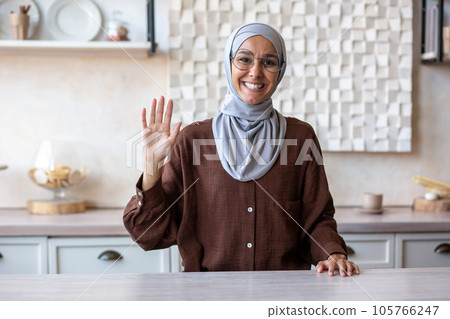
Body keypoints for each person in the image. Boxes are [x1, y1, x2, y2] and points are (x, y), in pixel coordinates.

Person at [123, 23, 359, 276]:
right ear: (229, 64)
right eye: (244, 59)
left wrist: (333, 253)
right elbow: (148, 234)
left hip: (285, 292)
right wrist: (151, 168)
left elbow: (317, 219)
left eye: (269, 62)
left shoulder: (300, 137)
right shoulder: (193, 140)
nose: (255, 72)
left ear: (280, 71)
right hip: (208, 296)